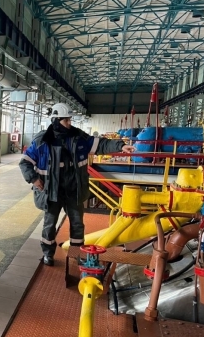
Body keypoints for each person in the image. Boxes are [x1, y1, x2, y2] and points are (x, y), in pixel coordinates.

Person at [19, 102, 135, 266]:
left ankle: (77, 253)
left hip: (73, 190)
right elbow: (25, 162)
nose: (69, 123)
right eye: (66, 120)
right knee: (49, 225)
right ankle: (48, 254)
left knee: (77, 224)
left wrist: (120, 146)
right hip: (51, 192)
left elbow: (100, 144)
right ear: (56, 120)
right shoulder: (42, 141)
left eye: (70, 120)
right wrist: (33, 178)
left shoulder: (79, 138)